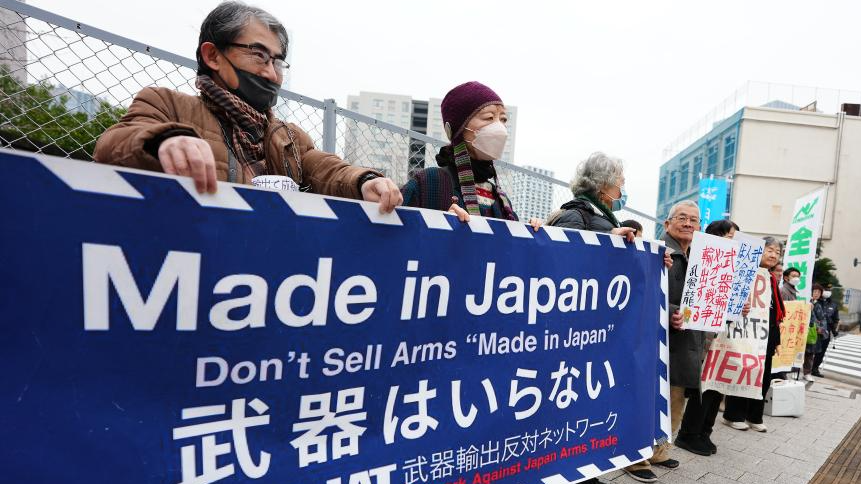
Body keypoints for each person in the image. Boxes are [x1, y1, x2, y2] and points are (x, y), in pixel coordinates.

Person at [94, 2, 402, 212]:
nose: (271, 73)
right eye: (258, 55)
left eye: (278, 61)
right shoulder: (166, 105)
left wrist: (365, 180)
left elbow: (327, 169)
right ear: (213, 56)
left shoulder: (290, 138)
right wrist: (165, 139)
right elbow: (112, 145)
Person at [676, 219, 747, 457]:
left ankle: (704, 431)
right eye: (730, 238)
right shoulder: (702, 257)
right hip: (702, 335)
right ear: (715, 236)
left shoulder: (731, 265)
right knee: (704, 386)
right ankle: (689, 434)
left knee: (717, 386)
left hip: (721, 333)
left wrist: (739, 308)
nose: (734, 243)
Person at [401, 81, 519, 221]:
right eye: (489, 118)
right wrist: (443, 221)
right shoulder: (429, 181)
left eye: (503, 119)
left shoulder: (501, 200)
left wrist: (533, 230)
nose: (500, 128)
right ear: (459, 128)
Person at [721, 237, 785, 432]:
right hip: (746, 333)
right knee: (744, 372)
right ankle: (733, 415)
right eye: (770, 250)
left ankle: (754, 415)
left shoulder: (771, 278)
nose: (774, 255)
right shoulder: (746, 273)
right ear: (759, 250)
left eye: (777, 252)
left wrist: (776, 340)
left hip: (766, 334)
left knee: (764, 376)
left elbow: (774, 312)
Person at [811, 284, 838, 377]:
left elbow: (835, 319)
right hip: (814, 329)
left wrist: (834, 330)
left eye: (829, 290)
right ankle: (806, 367)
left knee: (821, 351)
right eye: (825, 289)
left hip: (826, 331)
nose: (827, 291)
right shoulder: (816, 301)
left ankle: (815, 369)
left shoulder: (833, 304)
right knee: (810, 350)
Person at [803, 284, 828, 381]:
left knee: (809, 354)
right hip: (802, 329)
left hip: (812, 332)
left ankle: (807, 372)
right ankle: (794, 371)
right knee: (798, 352)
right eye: (814, 291)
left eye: (819, 292)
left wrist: (821, 328)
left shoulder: (818, 305)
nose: (816, 294)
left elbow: (822, 319)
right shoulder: (805, 300)